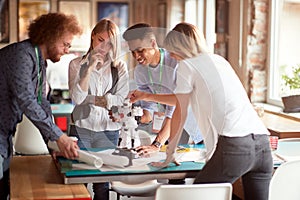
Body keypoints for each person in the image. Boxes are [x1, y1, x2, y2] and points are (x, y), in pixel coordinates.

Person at [129, 22, 273, 200]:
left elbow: (179, 110)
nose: (171, 56)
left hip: (236, 146)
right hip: (262, 144)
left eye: (172, 50)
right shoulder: (220, 60)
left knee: (198, 195)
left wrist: (169, 153)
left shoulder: (187, 66)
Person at [0, 13, 82, 199]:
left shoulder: (39, 61)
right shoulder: (21, 54)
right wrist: (59, 137)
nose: (67, 50)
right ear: (51, 36)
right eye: (66, 44)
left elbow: (41, 101)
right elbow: (26, 99)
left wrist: (52, 145)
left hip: (5, 135)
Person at [68, 19, 129, 200]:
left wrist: (92, 99)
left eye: (109, 43)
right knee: (78, 182)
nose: (103, 47)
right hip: (81, 129)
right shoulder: (76, 64)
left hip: (108, 131)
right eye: (100, 40)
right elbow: (77, 99)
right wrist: (88, 70)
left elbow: (120, 100)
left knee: (102, 185)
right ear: (93, 37)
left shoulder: (119, 68)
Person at [122, 23, 202, 158]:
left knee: (185, 167)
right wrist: (136, 116)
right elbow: (148, 108)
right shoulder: (140, 71)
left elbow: (176, 106)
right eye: (132, 52)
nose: (136, 56)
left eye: (140, 50)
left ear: (153, 44)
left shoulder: (176, 61)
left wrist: (157, 144)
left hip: (191, 124)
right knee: (168, 165)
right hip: (171, 125)